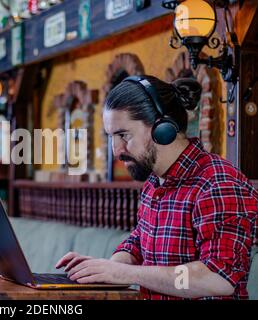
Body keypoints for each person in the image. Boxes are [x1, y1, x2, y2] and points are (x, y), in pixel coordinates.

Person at [55, 75, 258, 300]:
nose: (116, 150)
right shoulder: (154, 182)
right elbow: (138, 243)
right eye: (112, 137)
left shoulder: (218, 182)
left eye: (123, 135)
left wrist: (125, 273)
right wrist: (102, 269)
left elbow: (218, 278)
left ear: (163, 128)